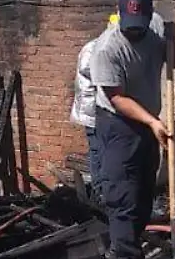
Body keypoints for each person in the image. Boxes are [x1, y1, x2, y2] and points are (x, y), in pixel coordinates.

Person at [89, 0, 175, 259]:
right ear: (119, 15)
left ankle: (123, 250)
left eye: (139, 24)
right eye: (129, 24)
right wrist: (153, 122)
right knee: (123, 192)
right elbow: (117, 98)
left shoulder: (155, 31)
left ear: (148, 16)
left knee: (144, 192)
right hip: (118, 123)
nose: (134, 30)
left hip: (147, 123)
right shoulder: (106, 49)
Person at [70, 12, 167, 205]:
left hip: (103, 110)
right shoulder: (97, 50)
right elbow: (102, 85)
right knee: (99, 153)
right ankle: (100, 193)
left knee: (106, 155)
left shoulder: (114, 46)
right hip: (93, 111)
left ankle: (109, 191)